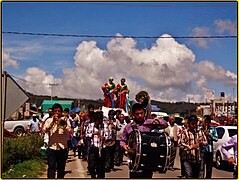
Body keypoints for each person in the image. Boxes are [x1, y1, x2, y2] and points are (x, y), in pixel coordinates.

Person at [120, 103, 161, 178]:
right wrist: (124, 146)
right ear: (133, 114)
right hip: (135, 157)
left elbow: (164, 124)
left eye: (141, 113)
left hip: (148, 157)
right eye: (137, 114)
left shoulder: (149, 123)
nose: (140, 115)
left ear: (144, 113)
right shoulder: (128, 127)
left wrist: (157, 121)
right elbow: (123, 140)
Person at [43, 103, 71, 179]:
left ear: (61, 112)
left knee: (61, 169)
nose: (57, 113)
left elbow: (68, 131)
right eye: (55, 111)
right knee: (51, 168)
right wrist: (53, 122)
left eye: (59, 111)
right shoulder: (49, 120)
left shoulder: (65, 120)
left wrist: (61, 123)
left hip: (62, 148)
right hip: (52, 148)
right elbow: (45, 130)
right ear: (53, 112)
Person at [87, 111, 107, 178]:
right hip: (93, 148)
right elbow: (86, 135)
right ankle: (93, 176)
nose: (99, 123)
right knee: (91, 166)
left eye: (100, 121)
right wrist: (93, 134)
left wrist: (104, 138)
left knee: (101, 168)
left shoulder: (105, 125)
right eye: (98, 121)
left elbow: (108, 136)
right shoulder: (90, 125)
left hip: (102, 148)